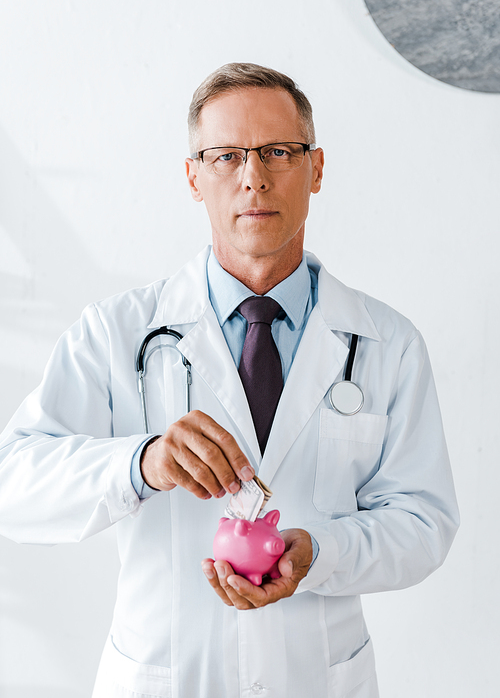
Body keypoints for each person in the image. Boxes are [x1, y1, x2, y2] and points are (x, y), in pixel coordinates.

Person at [0, 63, 459, 698]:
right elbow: (13, 484)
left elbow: (424, 523)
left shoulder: (388, 344)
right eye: (224, 156)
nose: (253, 176)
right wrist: (142, 463)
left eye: (278, 151)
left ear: (317, 168)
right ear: (193, 177)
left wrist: (319, 553)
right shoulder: (115, 333)